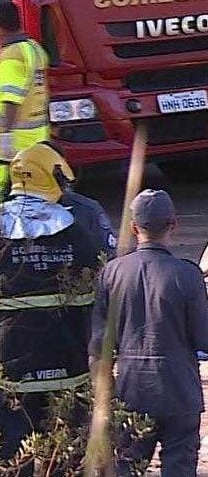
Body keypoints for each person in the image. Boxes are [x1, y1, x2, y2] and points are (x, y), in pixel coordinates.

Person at [90, 190, 208, 476]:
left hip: (132, 390)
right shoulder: (186, 273)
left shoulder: (112, 272)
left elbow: (99, 345)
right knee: (180, 467)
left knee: (128, 467)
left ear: (134, 228)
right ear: (174, 224)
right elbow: (206, 339)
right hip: (179, 390)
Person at [0, 143, 115, 465]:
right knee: (69, 453)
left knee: (14, 453)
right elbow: (103, 285)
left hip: (11, 368)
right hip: (69, 361)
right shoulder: (75, 231)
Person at [0, 2, 51, 194]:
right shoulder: (34, 48)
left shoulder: (12, 56)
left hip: (13, 141)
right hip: (36, 135)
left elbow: (10, 99)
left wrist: (4, 136)